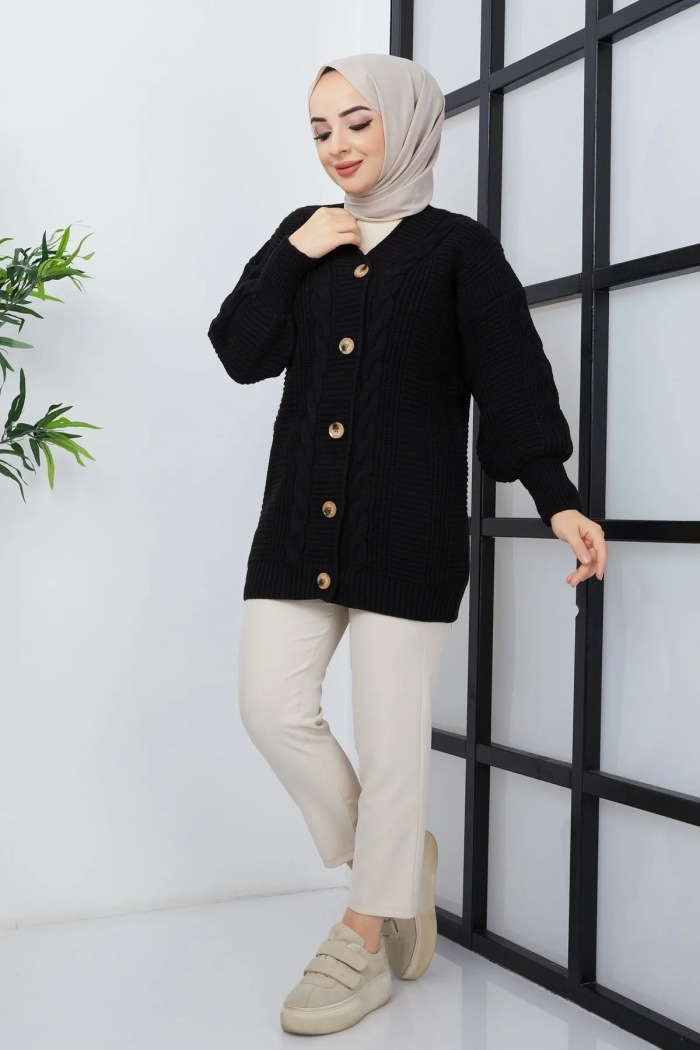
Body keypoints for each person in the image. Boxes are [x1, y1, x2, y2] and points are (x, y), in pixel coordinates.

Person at [207, 52, 607, 1037]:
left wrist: (556, 499)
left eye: (357, 122)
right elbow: (239, 351)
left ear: (408, 122)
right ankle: (393, 868)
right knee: (270, 709)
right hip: (297, 527)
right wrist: (292, 253)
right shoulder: (303, 235)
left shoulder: (458, 250)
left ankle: (362, 934)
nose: (337, 146)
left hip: (407, 532)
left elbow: (510, 379)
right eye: (320, 130)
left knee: (392, 746)